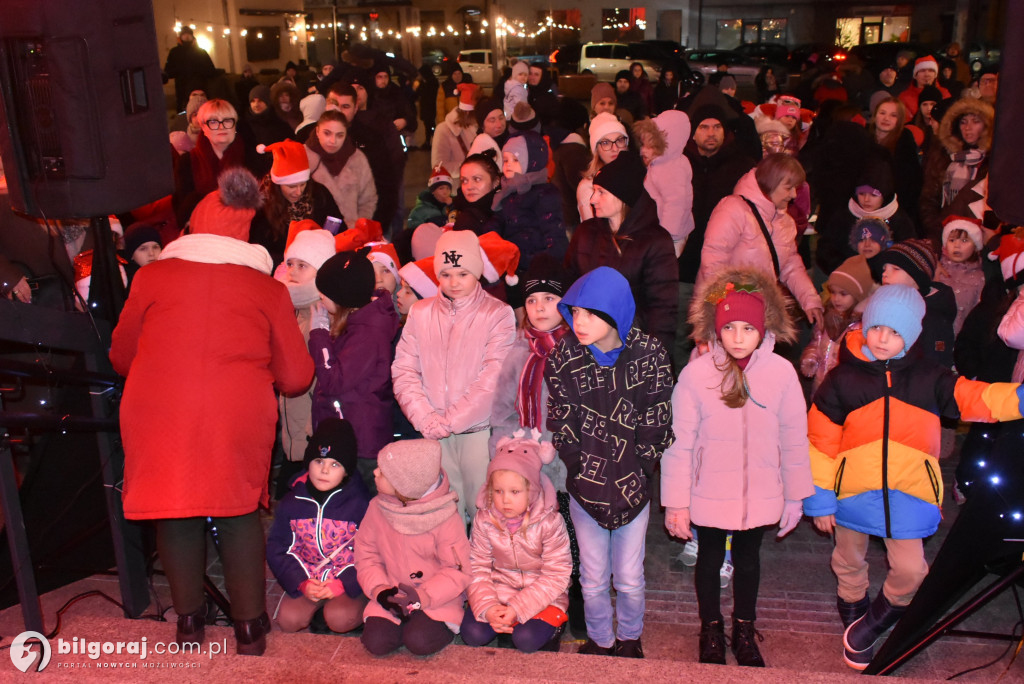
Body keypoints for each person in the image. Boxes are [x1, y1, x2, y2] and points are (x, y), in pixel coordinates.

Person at [109, 168, 314, 656]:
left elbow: (121, 356)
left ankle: (188, 622)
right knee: (237, 508)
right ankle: (249, 628)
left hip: (158, 409)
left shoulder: (151, 276)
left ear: (191, 228)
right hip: (235, 413)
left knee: (174, 507)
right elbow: (296, 378)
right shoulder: (266, 289)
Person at [804, 284, 1024, 670]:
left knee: (912, 570)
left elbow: (976, 397)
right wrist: (820, 499)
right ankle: (853, 608)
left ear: (911, 334)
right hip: (851, 490)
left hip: (909, 491)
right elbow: (820, 442)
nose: (881, 338)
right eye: (876, 327)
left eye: (894, 331)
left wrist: (1018, 399)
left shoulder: (931, 378)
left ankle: (871, 624)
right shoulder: (841, 380)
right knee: (848, 559)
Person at [663, 268, 813, 667]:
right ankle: (711, 627)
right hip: (709, 491)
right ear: (716, 328)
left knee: (748, 560)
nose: (738, 337)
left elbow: (794, 439)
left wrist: (796, 496)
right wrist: (676, 502)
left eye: (748, 328)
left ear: (763, 329)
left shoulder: (781, 374)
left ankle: (744, 627)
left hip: (761, 492)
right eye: (729, 327)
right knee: (710, 558)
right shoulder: (696, 375)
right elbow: (679, 444)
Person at [545, 266, 673, 657]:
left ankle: (630, 638)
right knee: (592, 577)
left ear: (614, 312)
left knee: (630, 578)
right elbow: (561, 417)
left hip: (633, 489)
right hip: (586, 489)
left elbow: (657, 416)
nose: (579, 322)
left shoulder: (649, 354)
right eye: (574, 312)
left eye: (589, 313)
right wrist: (576, 464)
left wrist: (642, 465)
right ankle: (600, 640)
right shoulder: (565, 356)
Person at [392, 230, 516, 521]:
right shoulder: (420, 313)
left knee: (484, 510)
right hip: (432, 429)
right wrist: (424, 417)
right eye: (446, 274)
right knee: (444, 512)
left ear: (477, 272)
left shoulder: (497, 314)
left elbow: (494, 377)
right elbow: (405, 370)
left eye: (463, 273)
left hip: (477, 430)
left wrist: (451, 420)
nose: (454, 282)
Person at [354, 439, 472, 655]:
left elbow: (457, 570)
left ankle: (438, 626)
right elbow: (366, 555)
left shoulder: (445, 515)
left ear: (405, 485)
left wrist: (422, 596)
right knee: (376, 642)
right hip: (392, 592)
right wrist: (380, 590)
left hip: (437, 597)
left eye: (383, 472)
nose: (375, 473)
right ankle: (400, 620)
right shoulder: (377, 507)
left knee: (419, 641)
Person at [461, 433, 572, 652]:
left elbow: (557, 574)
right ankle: (504, 622)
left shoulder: (549, 521)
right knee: (473, 634)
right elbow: (477, 567)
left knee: (526, 640)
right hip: (499, 591)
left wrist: (518, 607)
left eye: (514, 492)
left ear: (532, 490)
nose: (505, 500)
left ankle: (551, 626)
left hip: (543, 597)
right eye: (498, 491)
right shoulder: (484, 519)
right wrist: (489, 607)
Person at [696, 153, 824, 332]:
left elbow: (791, 265)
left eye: (795, 188)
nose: (793, 195)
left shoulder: (785, 221)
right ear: (771, 182)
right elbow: (713, 262)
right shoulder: (733, 209)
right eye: (788, 188)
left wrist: (810, 300)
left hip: (760, 311)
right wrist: (719, 307)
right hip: (727, 312)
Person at [567, 152, 678, 354]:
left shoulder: (655, 241)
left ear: (622, 197)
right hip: (587, 345)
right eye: (594, 191)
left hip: (633, 348)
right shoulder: (585, 233)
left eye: (601, 192)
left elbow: (663, 309)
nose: (592, 199)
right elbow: (570, 285)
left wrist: (654, 357)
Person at [267, 419, 371, 634]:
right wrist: (301, 582)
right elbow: (277, 548)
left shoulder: (361, 504)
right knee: (288, 621)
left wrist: (343, 583)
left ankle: (354, 606)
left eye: (335, 464)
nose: (324, 471)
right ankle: (319, 608)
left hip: (346, 579)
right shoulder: (291, 502)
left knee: (340, 619)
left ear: (347, 470)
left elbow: (372, 553)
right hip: (309, 577)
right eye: (318, 461)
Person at [309, 250, 400, 487]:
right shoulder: (358, 323)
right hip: (350, 434)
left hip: (361, 441)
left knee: (363, 499)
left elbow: (334, 381)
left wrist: (319, 336)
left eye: (324, 292)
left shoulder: (367, 332)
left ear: (343, 297)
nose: (320, 297)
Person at [678, 104, 757, 364]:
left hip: (723, 274)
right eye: (704, 127)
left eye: (716, 127)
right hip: (683, 267)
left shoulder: (743, 166)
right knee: (681, 332)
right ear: (693, 132)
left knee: (719, 334)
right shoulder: (680, 163)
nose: (711, 133)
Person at [271, 224, 337, 493]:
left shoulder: (322, 312)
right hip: (292, 419)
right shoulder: (290, 307)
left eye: (303, 265)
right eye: (290, 264)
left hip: (312, 424)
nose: (293, 271)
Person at [250, 139, 342, 267]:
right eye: (291, 186)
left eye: (303, 184)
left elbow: (340, 231)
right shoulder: (262, 203)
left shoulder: (319, 194)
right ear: (278, 185)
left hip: (318, 265)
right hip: (276, 267)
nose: (299, 192)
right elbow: (257, 250)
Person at [920, 98, 995, 244]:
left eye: (975, 121)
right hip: (942, 233)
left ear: (986, 125)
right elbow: (929, 198)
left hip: (979, 236)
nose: (968, 127)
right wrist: (937, 228)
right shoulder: (944, 155)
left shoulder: (992, 160)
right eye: (963, 122)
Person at [800, 255, 874, 394]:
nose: (836, 299)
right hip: (820, 386)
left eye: (843, 294)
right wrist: (811, 357)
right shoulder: (828, 317)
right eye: (833, 292)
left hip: (844, 391)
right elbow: (816, 341)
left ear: (859, 295)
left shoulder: (862, 327)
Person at [172, 99, 252, 228]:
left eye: (227, 120)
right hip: (203, 231)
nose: (221, 127)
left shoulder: (251, 158)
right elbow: (181, 211)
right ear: (203, 127)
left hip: (243, 231)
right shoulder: (187, 162)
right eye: (213, 122)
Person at [499, 132, 567, 276]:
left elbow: (554, 232)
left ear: (532, 161)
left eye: (515, 159)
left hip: (537, 265)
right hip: (514, 263)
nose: (508, 164)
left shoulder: (544, 193)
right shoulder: (508, 191)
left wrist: (545, 265)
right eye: (505, 160)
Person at [305, 108, 377, 227]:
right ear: (317, 131)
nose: (333, 141)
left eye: (339, 135)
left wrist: (358, 227)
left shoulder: (357, 159)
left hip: (350, 232)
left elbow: (368, 200)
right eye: (327, 133)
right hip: (313, 232)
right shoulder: (303, 157)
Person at [640, 110, 694, 257]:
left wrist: (665, 235)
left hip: (671, 236)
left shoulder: (672, 169)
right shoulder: (662, 163)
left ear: (668, 144)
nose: (643, 151)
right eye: (643, 145)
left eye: (651, 147)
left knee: (664, 265)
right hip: (660, 229)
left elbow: (675, 204)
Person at [867, 97, 922, 224]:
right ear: (875, 115)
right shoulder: (864, 138)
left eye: (893, 115)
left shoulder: (905, 142)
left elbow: (911, 182)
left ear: (900, 120)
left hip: (896, 208)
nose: (886, 118)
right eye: (882, 113)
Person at [934, 216, 986, 336]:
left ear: (975, 246)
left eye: (964, 241)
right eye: (952, 240)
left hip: (961, 337)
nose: (957, 245)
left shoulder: (979, 278)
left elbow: (978, 315)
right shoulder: (937, 269)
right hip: (932, 335)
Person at [577, 113, 629, 223]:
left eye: (619, 140)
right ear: (596, 150)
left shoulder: (636, 177)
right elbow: (591, 228)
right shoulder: (588, 186)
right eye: (606, 143)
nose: (615, 148)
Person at [432, 83, 480, 180]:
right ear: (468, 112)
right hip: (458, 186)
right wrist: (473, 167)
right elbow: (439, 168)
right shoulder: (443, 130)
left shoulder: (481, 126)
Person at [449, 154, 504, 236]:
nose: (469, 187)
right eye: (464, 181)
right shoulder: (464, 218)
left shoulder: (510, 210)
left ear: (496, 182)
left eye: (477, 179)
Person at [164, 26, 216, 112]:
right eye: (184, 34)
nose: (187, 36)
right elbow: (169, 71)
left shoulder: (200, 52)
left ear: (192, 36)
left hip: (198, 87)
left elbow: (210, 70)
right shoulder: (175, 52)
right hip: (183, 88)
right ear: (181, 36)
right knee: (186, 111)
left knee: (200, 110)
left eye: (188, 34)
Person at [898, 56, 950, 120]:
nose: (927, 74)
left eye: (931, 70)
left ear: (935, 75)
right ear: (915, 75)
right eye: (922, 71)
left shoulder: (944, 94)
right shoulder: (904, 97)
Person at [406, 164, 453, 230]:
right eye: (441, 188)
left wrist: (452, 206)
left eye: (448, 188)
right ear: (433, 191)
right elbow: (412, 228)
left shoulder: (454, 204)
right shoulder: (420, 210)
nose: (445, 192)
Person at [414, 65, 440, 147]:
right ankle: (429, 141)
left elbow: (428, 94)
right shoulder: (423, 82)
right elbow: (418, 93)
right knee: (428, 125)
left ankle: (434, 141)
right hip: (425, 107)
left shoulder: (432, 82)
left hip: (430, 107)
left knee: (430, 125)